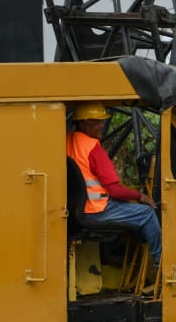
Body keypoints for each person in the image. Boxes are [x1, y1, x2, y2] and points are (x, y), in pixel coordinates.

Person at [67, 103, 162, 276]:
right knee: (146, 214)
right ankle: (160, 266)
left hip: (77, 209)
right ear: (83, 123)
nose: (101, 125)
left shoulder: (68, 141)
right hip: (97, 210)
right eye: (96, 122)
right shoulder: (93, 148)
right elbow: (115, 191)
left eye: (102, 121)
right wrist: (141, 196)